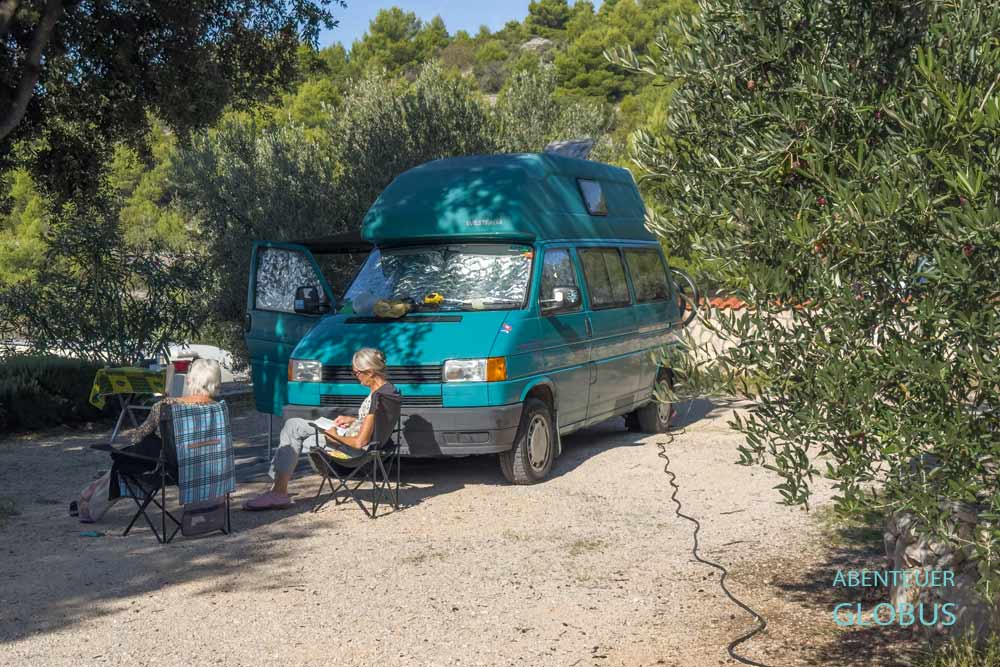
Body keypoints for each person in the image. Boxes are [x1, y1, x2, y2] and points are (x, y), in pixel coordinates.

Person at [244, 347, 400, 511]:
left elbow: (359, 443)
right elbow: (376, 422)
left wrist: (333, 435)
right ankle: (277, 490)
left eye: (356, 373)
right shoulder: (389, 390)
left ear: (370, 372)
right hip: (362, 440)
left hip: (354, 450)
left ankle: (278, 492)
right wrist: (353, 420)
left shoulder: (377, 397)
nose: (356, 377)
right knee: (293, 427)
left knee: (294, 437)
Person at [74, 359, 223, 523]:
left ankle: (91, 507)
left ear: (190, 380)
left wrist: (140, 435)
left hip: (167, 469)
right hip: (201, 468)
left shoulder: (166, 406)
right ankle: (92, 490)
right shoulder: (218, 410)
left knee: (126, 460)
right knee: (135, 455)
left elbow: (139, 436)